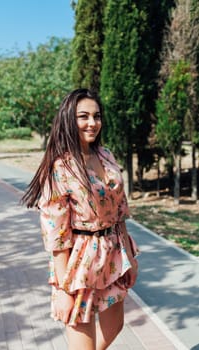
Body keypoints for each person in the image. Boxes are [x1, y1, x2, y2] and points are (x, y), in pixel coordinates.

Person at [21, 88, 138, 350]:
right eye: (83, 116)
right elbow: (57, 234)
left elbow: (119, 211)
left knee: (114, 326)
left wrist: (130, 258)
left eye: (96, 116)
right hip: (79, 263)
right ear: (68, 120)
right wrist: (63, 290)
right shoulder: (60, 167)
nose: (92, 123)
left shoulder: (105, 155)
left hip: (112, 255)